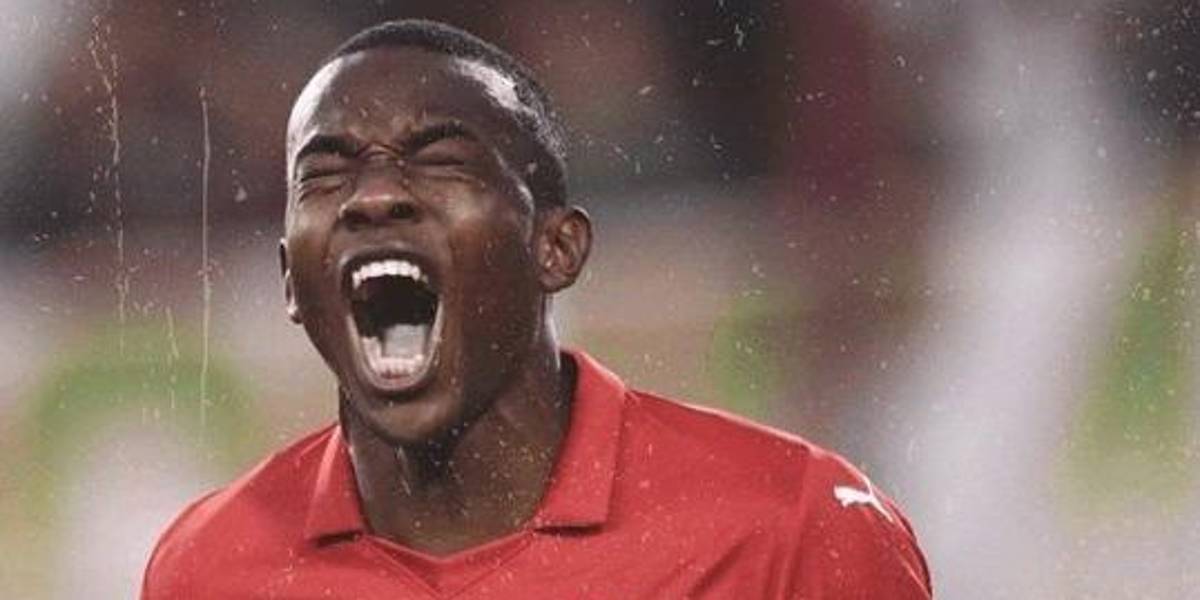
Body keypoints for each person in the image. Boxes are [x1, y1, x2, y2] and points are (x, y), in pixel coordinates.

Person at [141, 19, 932, 599]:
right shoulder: (208, 570)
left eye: (440, 160)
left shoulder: (791, 526)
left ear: (556, 248)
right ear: (290, 278)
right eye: (325, 174)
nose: (374, 195)